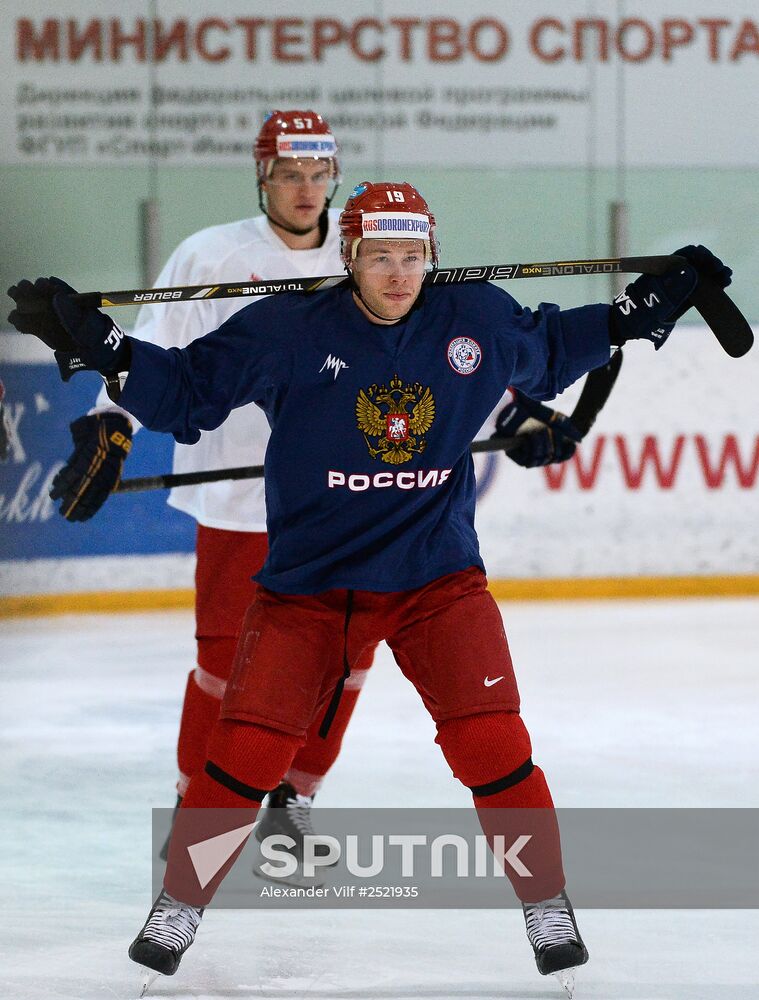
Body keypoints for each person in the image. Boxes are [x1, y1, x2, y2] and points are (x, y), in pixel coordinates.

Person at [8, 181, 731, 991]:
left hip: (435, 579)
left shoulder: (477, 321)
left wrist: (643, 309)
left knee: (491, 742)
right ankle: (179, 905)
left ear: (432, 256)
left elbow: (558, 346)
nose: (397, 273)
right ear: (349, 257)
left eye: (412, 255)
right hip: (309, 587)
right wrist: (107, 348)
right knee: (244, 755)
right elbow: (185, 393)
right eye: (379, 256)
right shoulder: (289, 329)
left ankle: (546, 902)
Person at [36, 106, 582, 876]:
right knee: (229, 670)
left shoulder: (371, 241)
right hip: (241, 502)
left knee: (346, 662)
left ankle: (295, 799)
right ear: (263, 177)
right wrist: (110, 425)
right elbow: (156, 352)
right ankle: (200, 806)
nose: (305, 187)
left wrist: (522, 409)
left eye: (318, 172)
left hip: (357, 505)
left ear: (335, 176)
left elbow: (445, 355)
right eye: (289, 172)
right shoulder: (209, 253)